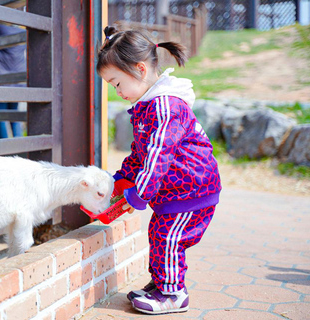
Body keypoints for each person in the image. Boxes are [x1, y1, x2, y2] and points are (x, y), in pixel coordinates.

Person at [97, 25, 222, 315]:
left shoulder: (165, 107)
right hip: (174, 192)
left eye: (117, 83)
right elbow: (141, 153)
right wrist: (122, 178)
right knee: (160, 234)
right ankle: (163, 284)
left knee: (169, 237)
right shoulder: (148, 106)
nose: (117, 92)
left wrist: (138, 194)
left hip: (191, 191)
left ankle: (174, 294)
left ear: (140, 69)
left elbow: (157, 156)